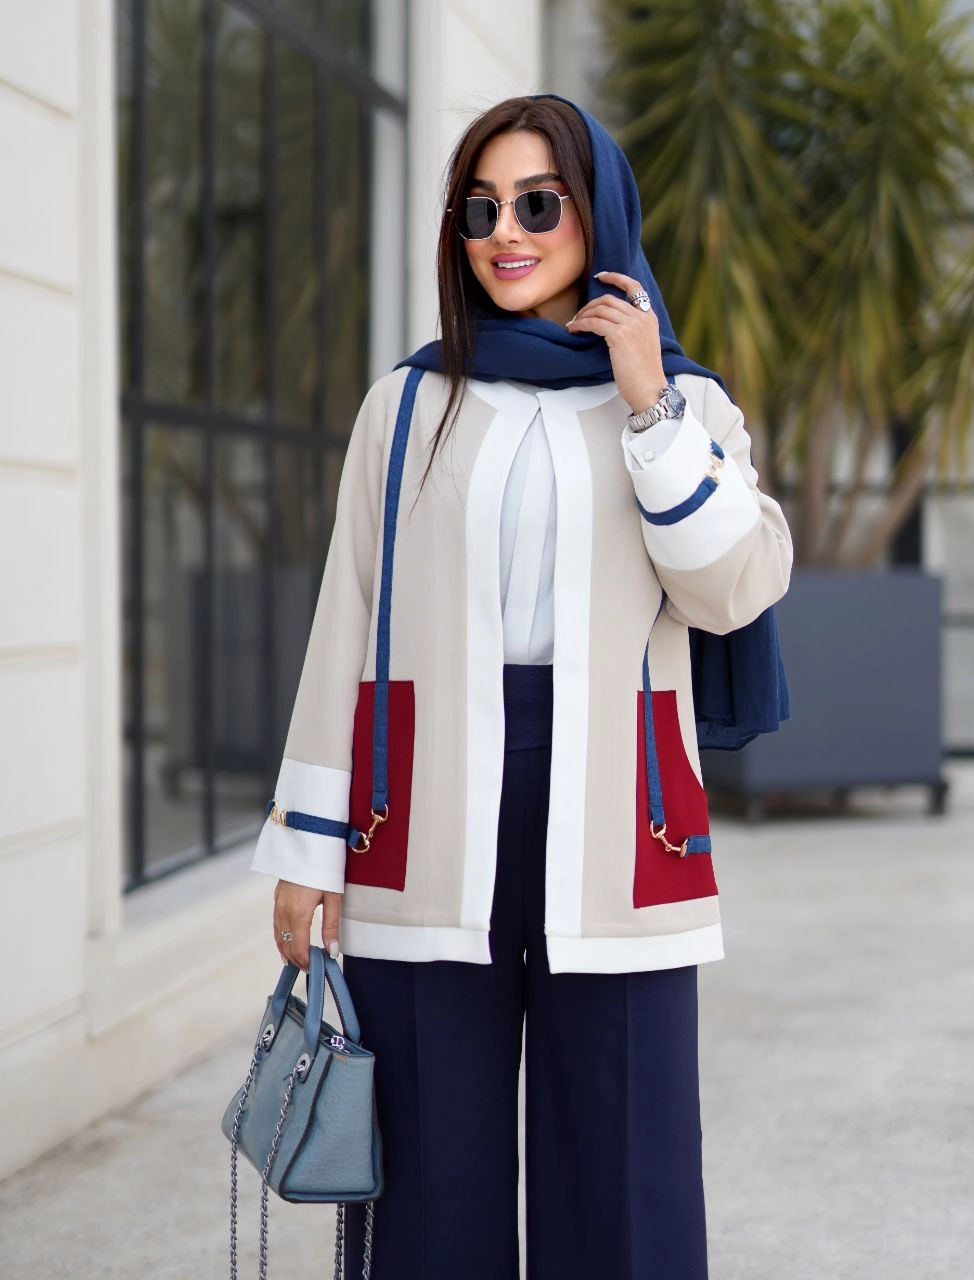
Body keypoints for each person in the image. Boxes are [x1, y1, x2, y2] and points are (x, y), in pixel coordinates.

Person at [252, 95, 793, 1279]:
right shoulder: (406, 405)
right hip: (424, 805)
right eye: (480, 209)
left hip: (619, 810)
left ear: (595, 214)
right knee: (431, 1179)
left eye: (538, 204)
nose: (505, 232)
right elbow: (346, 622)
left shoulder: (683, 402)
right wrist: (308, 843)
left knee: (627, 1167)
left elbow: (733, 587)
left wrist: (648, 403)